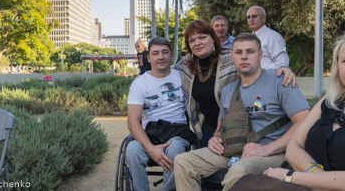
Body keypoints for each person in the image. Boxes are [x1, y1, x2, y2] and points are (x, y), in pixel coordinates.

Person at [174, 33, 310, 191]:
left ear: (260, 55)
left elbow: (305, 121)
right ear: (232, 56)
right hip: (233, 150)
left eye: (250, 52)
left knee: (239, 171)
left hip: (272, 153)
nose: (244, 57)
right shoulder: (228, 90)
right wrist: (215, 139)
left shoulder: (280, 82)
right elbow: (220, 129)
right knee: (183, 161)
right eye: (238, 52)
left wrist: (268, 149)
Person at [173, 19, 296, 148]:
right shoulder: (184, 66)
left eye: (202, 37)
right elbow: (165, 71)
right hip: (210, 125)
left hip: (239, 123)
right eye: (192, 40)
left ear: (213, 38)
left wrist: (284, 69)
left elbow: (257, 68)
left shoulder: (231, 58)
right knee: (208, 161)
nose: (197, 43)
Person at [263, 34, 345, 190]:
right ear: (337, 66)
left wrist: (290, 177)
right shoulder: (330, 101)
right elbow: (293, 147)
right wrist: (317, 177)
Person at [126, 37, 196, 191]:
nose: (161, 57)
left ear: (171, 56)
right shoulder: (140, 83)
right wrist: (150, 148)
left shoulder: (183, 78)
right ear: (149, 57)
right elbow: (132, 121)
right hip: (151, 133)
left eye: (165, 52)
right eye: (156, 53)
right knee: (132, 150)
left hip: (177, 132)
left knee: (175, 147)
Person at [246, 6, 289, 70]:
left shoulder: (273, 36)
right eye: (248, 17)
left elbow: (282, 62)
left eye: (254, 16)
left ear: (264, 18)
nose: (251, 20)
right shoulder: (248, 38)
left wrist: (261, 72)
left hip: (268, 78)